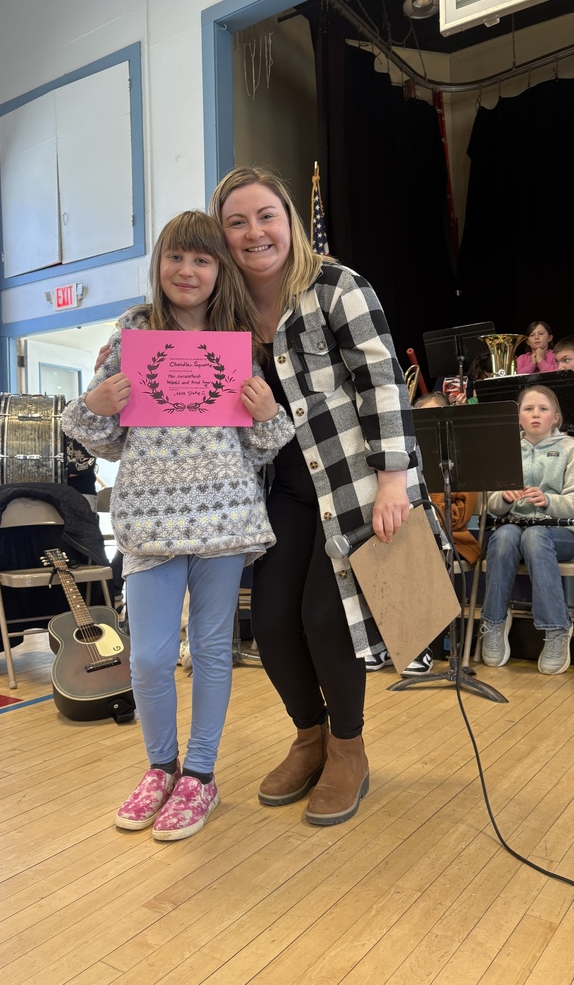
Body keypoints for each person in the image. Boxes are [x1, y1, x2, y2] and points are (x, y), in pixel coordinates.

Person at [209, 165, 438, 826]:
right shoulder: (226, 313)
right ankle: (307, 737)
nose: (255, 232)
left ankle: (348, 748)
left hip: (356, 482)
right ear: (225, 236)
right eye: (237, 221)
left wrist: (395, 479)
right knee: (273, 621)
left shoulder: (338, 286)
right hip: (282, 485)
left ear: (288, 220)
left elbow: (384, 383)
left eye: (266, 216)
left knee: (324, 616)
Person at [61, 210, 294, 842]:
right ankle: (159, 766)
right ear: (158, 264)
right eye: (176, 258)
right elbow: (102, 440)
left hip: (223, 520)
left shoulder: (238, 338)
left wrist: (268, 413)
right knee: (152, 656)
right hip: (151, 525)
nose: (187, 272)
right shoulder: (129, 335)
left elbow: (264, 445)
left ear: (220, 271)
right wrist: (91, 405)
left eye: (203, 260)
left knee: (215, 650)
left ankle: (199, 775)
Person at [479, 385, 574, 675]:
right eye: (528, 409)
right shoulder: (505, 449)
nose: (535, 414)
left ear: (555, 417)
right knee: (504, 536)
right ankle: (493, 623)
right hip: (514, 527)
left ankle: (557, 630)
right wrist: (503, 499)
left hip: (560, 532)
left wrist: (548, 501)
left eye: (543, 409)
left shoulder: (570, 448)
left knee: (535, 536)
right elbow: (489, 504)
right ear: (517, 417)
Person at [413, 393, 480, 564]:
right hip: (414, 535)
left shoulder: (460, 459)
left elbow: (461, 513)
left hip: (452, 539)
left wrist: (429, 519)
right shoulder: (411, 460)